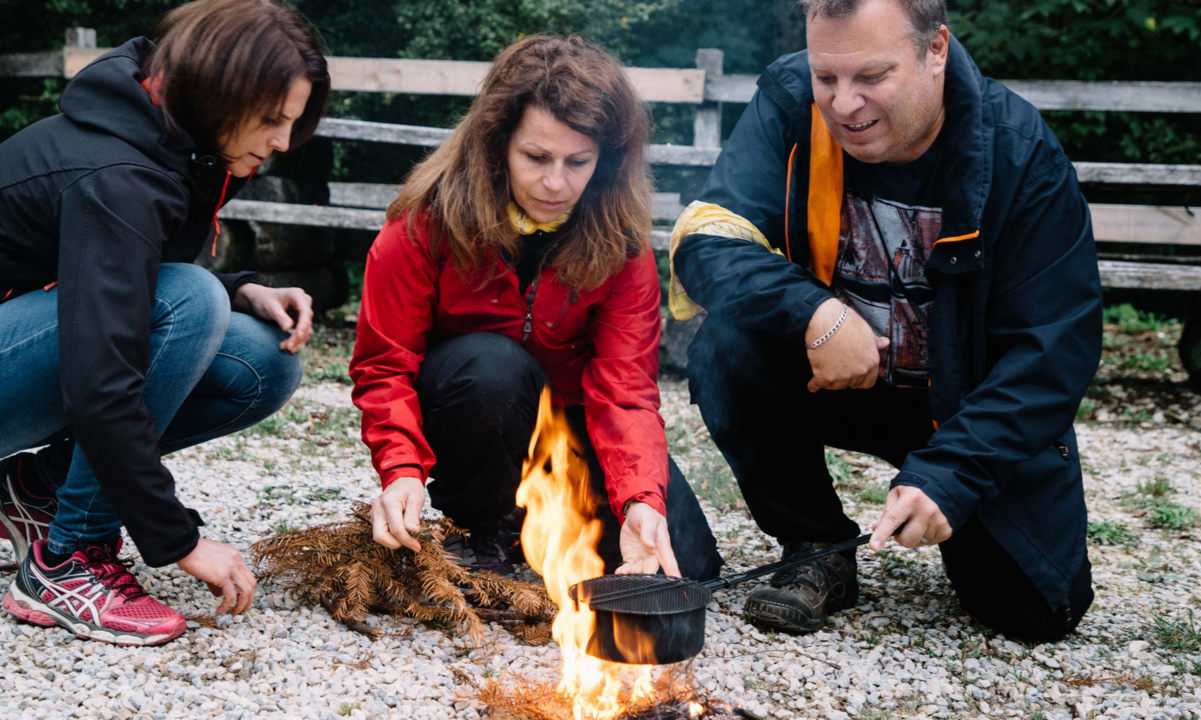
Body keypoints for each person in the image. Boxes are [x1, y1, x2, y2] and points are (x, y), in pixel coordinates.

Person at [670, 0, 1101, 641]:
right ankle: (816, 543)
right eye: (828, 78)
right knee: (724, 348)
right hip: (833, 380)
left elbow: (1053, 349)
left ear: (935, 51)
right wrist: (814, 311)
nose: (844, 104)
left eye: (871, 77)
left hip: (963, 403)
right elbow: (706, 241)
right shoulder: (789, 103)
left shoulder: (1019, 153)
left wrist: (952, 474)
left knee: (1033, 614)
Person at [0, 0, 330, 646]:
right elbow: (103, 377)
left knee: (263, 360)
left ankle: (37, 492)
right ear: (215, 92)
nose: (283, 143)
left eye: (291, 122)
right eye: (270, 120)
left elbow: (122, 284)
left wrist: (244, 289)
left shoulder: (167, 138)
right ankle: (70, 561)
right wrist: (176, 539)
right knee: (191, 302)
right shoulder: (118, 172)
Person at [350, 35, 722, 581]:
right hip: (470, 414)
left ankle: (543, 528)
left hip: (567, 423)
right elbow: (385, 365)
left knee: (681, 563)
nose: (555, 183)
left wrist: (640, 499)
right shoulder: (424, 224)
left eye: (578, 162)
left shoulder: (622, 245)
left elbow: (625, 391)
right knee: (490, 366)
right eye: (536, 157)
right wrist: (400, 469)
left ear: (607, 160)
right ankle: (484, 527)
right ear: (498, 144)